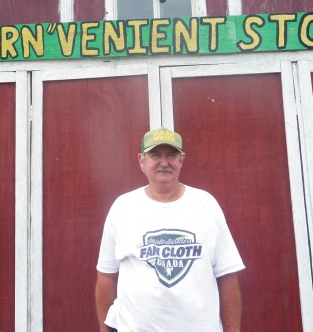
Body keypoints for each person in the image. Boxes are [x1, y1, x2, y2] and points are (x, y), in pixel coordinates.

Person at [96, 127, 245, 332]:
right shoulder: (122, 207)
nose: (164, 163)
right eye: (155, 155)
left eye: (171, 156)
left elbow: (227, 275)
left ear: (181, 160)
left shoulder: (206, 204)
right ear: (141, 160)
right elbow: (106, 276)